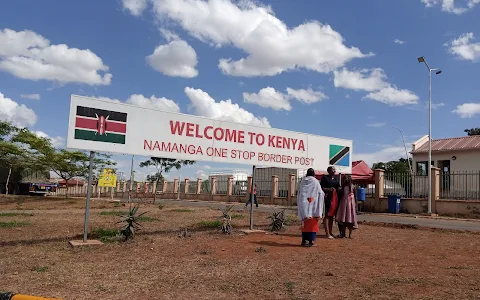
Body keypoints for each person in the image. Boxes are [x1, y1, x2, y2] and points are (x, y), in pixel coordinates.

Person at [297, 168, 325, 247]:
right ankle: (311, 241)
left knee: (305, 225)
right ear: (313, 174)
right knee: (312, 226)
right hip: (313, 207)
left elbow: (299, 193)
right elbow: (320, 193)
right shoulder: (315, 181)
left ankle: (304, 241)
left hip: (304, 206)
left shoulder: (302, 181)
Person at [320, 166, 340, 239]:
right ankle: (327, 233)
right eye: (333, 169)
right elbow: (321, 188)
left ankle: (331, 232)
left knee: (331, 215)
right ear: (329, 171)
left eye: (335, 169)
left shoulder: (336, 179)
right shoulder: (325, 178)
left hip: (334, 198)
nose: (334, 171)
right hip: (327, 198)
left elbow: (338, 187)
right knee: (327, 215)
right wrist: (329, 189)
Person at [336, 174, 358, 238]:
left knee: (350, 219)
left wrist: (356, 206)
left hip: (350, 205)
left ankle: (350, 234)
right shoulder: (343, 187)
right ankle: (343, 234)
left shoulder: (352, 187)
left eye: (346, 178)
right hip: (344, 204)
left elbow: (356, 197)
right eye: (344, 178)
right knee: (343, 219)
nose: (344, 179)